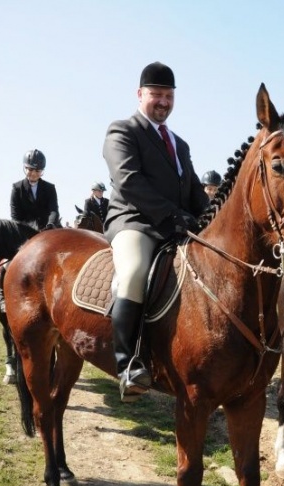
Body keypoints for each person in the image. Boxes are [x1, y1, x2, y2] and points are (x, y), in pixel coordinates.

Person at [102, 61, 210, 399]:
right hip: (135, 222)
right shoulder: (122, 131)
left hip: (174, 226)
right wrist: (174, 216)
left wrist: (210, 218)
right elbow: (129, 182)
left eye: (168, 96)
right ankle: (128, 364)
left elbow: (194, 191)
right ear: (140, 94)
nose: (163, 102)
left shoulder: (180, 145)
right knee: (134, 272)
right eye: (156, 95)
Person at [10, 149, 61, 230]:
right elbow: (15, 216)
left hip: (48, 229)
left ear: (42, 171)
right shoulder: (17, 188)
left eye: (37, 171)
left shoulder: (50, 188)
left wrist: (50, 224)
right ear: (25, 168)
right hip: (26, 231)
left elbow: (54, 210)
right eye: (30, 169)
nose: (33, 174)